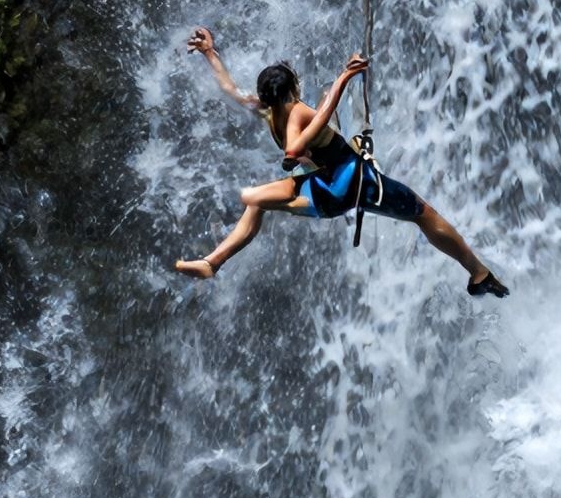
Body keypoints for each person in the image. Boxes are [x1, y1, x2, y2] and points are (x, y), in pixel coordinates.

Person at [173, 26, 509, 297]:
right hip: (352, 183)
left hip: (322, 192)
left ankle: (213, 262)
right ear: (291, 91)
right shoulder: (297, 112)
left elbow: (230, 89)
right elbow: (303, 137)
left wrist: (209, 53)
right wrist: (343, 79)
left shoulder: (265, 111)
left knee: (256, 202)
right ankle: (479, 273)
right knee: (424, 214)